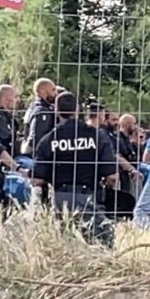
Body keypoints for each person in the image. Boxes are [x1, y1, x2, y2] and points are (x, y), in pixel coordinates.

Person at [31, 92, 117, 247]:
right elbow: (112, 176)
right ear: (77, 110)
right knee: (103, 244)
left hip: (59, 200)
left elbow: (37, 179)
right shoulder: (97, 136)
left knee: (64, 247)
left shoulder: (48, 140)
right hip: (88, 198)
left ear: (56, 111)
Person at [22, 78, 57, 156]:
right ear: (42, 91)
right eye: (53, 90)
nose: (56, 93)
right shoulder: (42, 111)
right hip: (38, 156)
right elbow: (35, 138)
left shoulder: (32, 107)